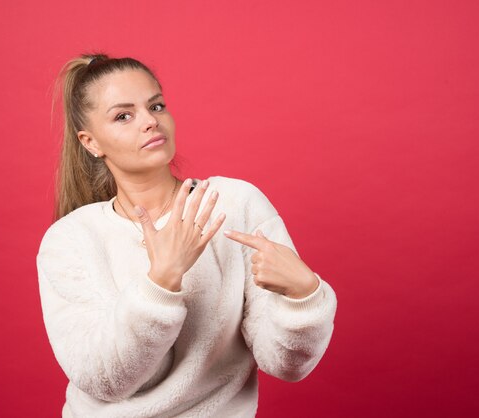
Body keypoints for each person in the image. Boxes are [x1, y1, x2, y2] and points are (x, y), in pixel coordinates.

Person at [36, 53, 338, 418]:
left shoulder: (233, 204)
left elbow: (286, 365)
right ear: (91, 142)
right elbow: (104, 379)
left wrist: (304, 296)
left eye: (157, 105)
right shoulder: (70, 239)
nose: (150, 121)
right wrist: (161, 281)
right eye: (123, 116)